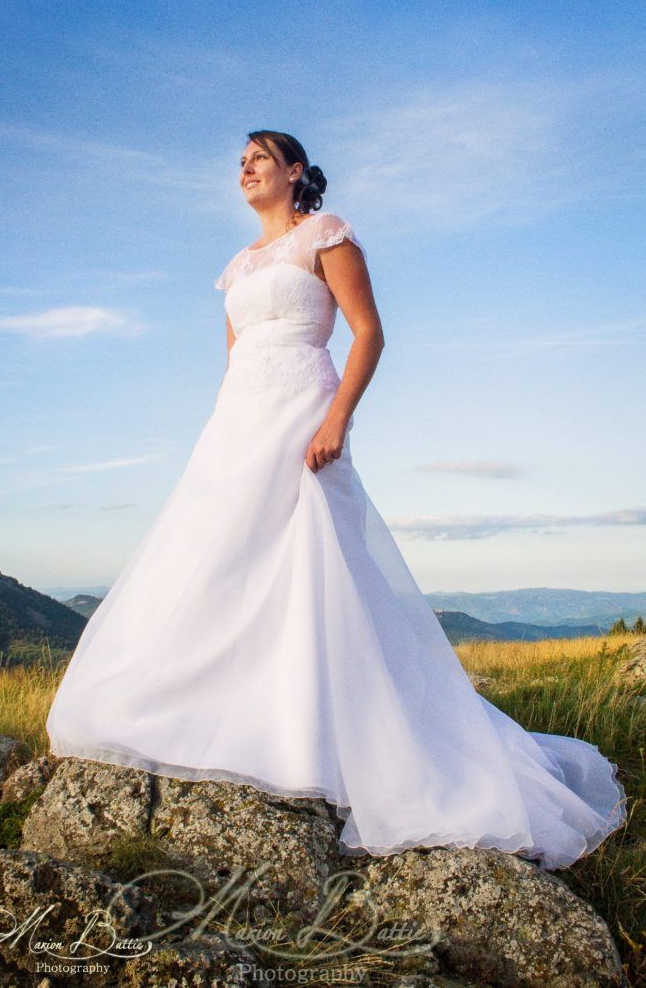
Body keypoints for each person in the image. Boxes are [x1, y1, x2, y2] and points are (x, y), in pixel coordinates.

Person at [46, 128, 627, 870]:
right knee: (221, 554)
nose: (246, 169)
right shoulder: (237, 267)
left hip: (305, 407)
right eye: (240, 162)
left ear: (294, 171)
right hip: (240, 420)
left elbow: (368, 333)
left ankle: (334, 731)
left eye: (260, 158)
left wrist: (335, 419)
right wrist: (219, 432)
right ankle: (234, 709)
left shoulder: (326, 234)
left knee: (312, 555)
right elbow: (232, 362)